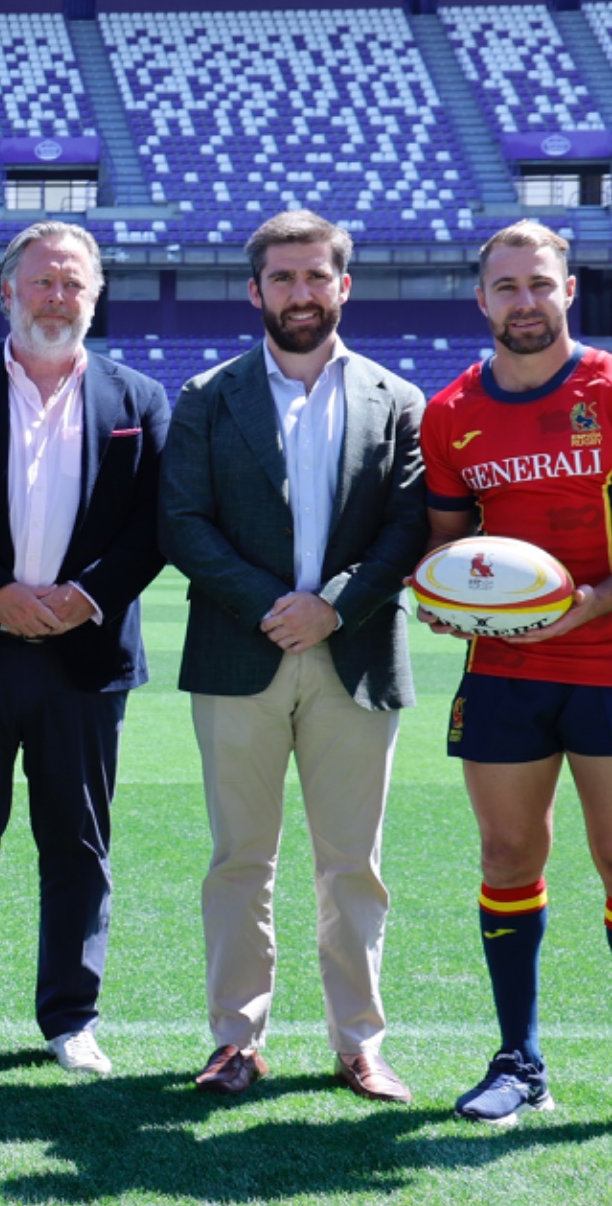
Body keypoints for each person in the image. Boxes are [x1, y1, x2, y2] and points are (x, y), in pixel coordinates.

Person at [418, 220, 612, 1148]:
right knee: (509, 855)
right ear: (483, 299)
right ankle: (518, 1062)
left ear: (568, 290)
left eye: (540, 284)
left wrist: (594, 602)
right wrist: (443, 602)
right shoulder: (451, 413)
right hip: (503, 670)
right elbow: (445, 546)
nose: (525, 302)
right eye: (507, 287)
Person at [159, 212, 427, 1102]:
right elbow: (181, 522)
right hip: (241, 652)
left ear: (343, 285)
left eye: (317, 276)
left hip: (357, 656)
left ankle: (360, 1044)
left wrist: (333, 606)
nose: (301, 293)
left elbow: (408, 527)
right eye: (283, 277)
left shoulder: (397, 398)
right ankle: (235, 1040)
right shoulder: (208, 395)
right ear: (255, 290)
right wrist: (273, 607)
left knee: (353, 863)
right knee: (241, 858)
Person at [0, 220, 168, 1080]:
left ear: (95, 296)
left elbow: (154, 524)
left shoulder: (139, 400)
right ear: (7, 292)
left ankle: (71, 1016)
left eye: (73, 284)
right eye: (43, 282)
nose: (58, 298)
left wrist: (84, 596)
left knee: (79, 845)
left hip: (83, 654)